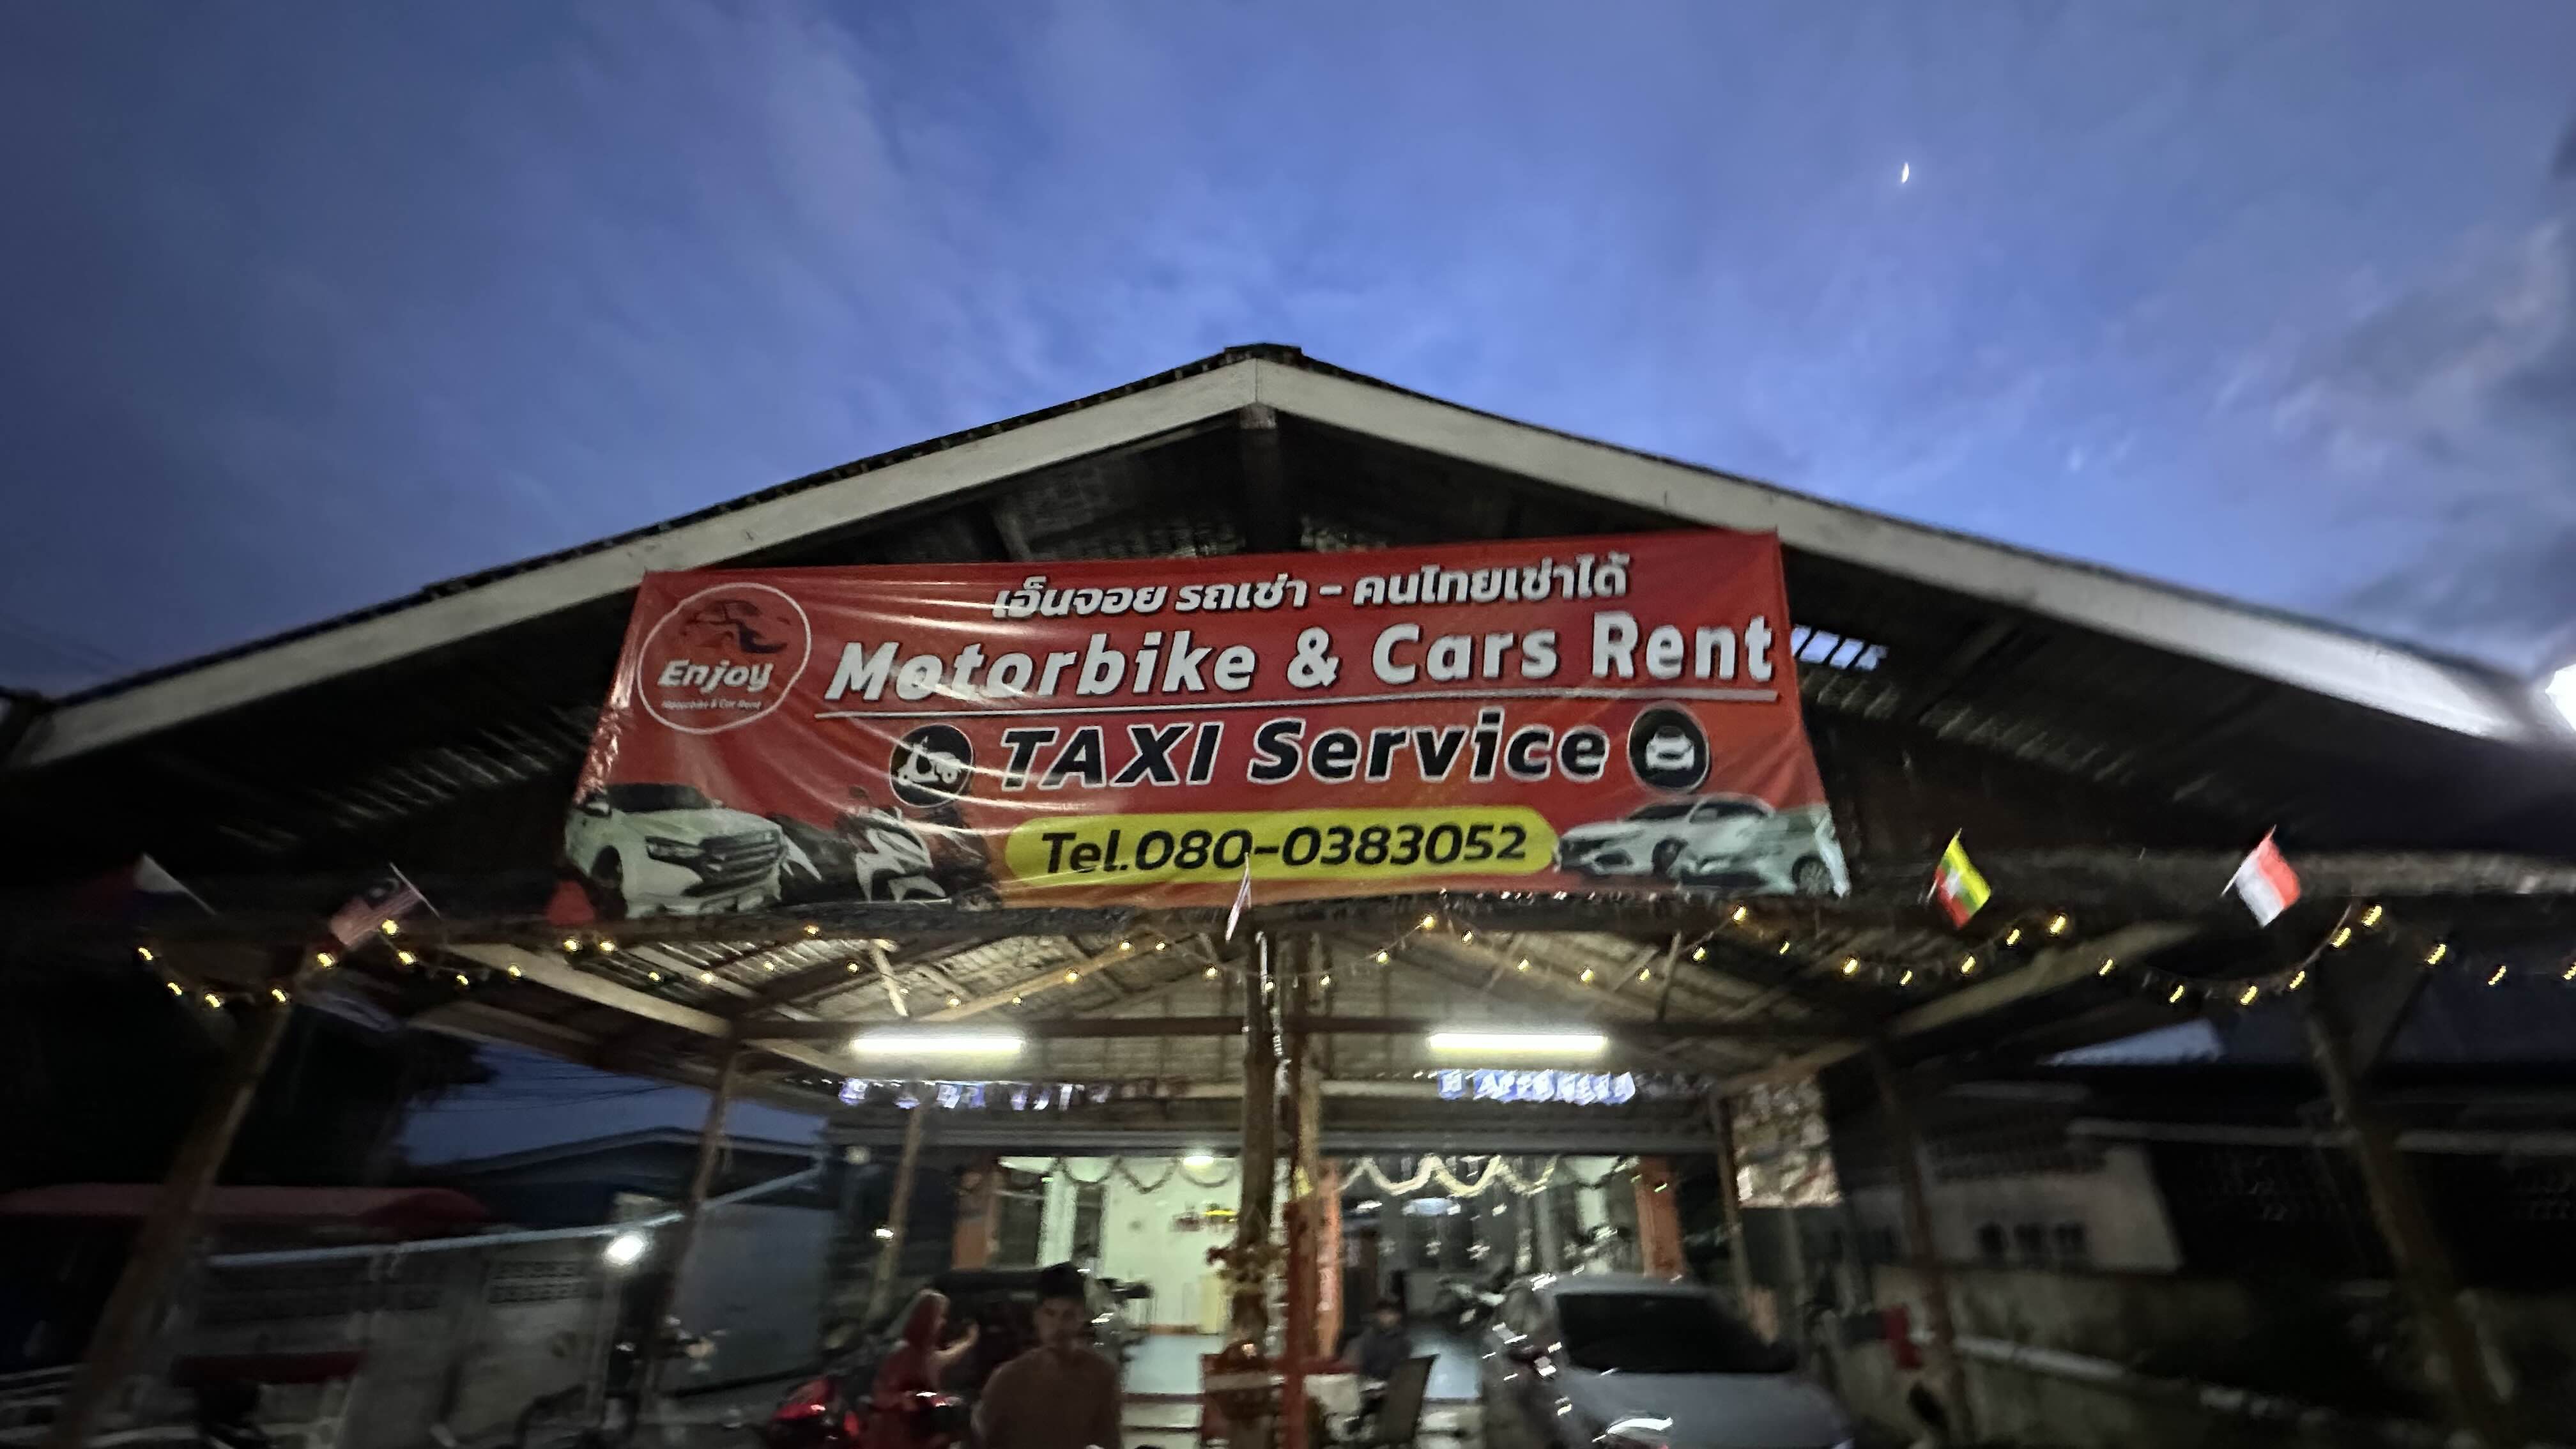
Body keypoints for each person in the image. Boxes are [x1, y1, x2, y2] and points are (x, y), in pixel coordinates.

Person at [974, 1264, 1121, 1449]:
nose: (1058, 1326)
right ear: (1037, 1316)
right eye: (1050, 1314)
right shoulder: (1009, 1379)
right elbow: (980, 1439)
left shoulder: (1101, 1376)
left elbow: (1110, 1441)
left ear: (1082, 1317)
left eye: (1068, 1315)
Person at [870, 1291, 977, 1449]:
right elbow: (881, 1396)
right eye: (940, 1317)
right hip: (899, 1437)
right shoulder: (904, 1354)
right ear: (926, 1319)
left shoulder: (927, 1354)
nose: (943, 1323)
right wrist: (905, 1400)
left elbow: (946, 1358)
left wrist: (968, 1342)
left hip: (919, 1436)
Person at [1341, 1296, 1413, 1382]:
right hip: (1367, 1380)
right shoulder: (1367, 1337)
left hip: (1393, 1382)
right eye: (1382, 1314)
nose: (1385, 1317)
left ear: (1398, 1316)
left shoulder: (1404, 1340)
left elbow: (1404, 1367)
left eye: (1389, 1314)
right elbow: (1352, 1363)